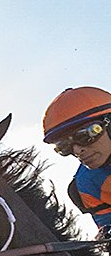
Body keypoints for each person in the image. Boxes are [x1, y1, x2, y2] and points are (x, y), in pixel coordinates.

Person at [41, 87, 111, 237]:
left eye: (85, 135)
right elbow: (107, 226)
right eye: (64, 146)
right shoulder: (86, 183)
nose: (78, 151)